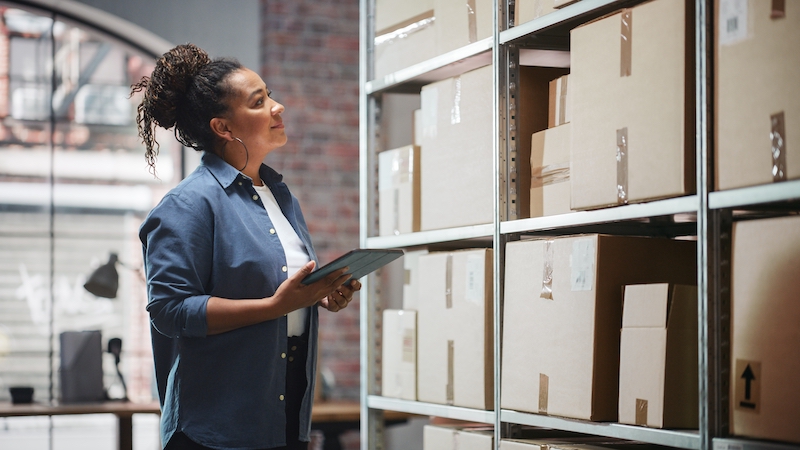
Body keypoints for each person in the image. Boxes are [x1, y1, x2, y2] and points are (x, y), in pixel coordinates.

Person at [134, 43, 361, 450]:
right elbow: (168, 310)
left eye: (269, 95)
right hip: (215, 428)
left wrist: (318, 296)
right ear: (223, 127)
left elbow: (279, 289)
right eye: (259, 102)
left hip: (283, 412)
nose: (278, 107)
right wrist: (276, 306)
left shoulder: (279, 194)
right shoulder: (187, 206)